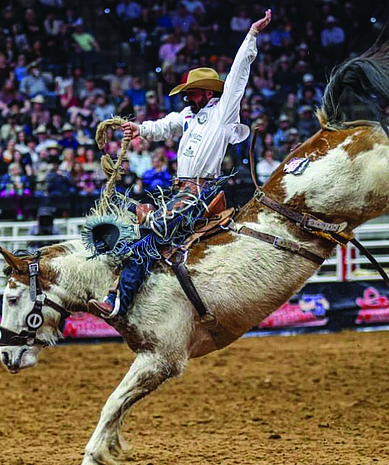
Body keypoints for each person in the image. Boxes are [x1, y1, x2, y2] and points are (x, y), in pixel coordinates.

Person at [88, 9, 272, 318]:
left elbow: (239, 75)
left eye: (191, 91)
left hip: (199, 193)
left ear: (206, 93)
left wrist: (251, 35)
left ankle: (118, 301)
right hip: (181, 192)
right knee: (132, 218)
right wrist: (140, 129)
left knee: (153, 228)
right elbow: (164, 125)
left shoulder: (222, 112)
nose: (187, 96)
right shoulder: (189, 116)